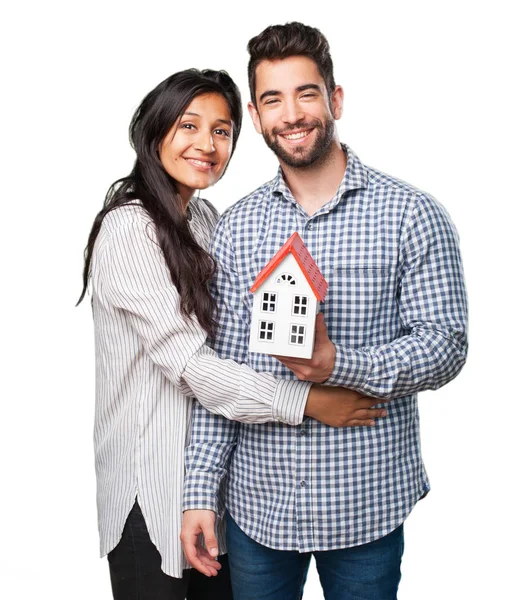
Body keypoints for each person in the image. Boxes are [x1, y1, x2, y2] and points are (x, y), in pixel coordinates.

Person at [181, 23, 468, 600]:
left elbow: (446, 346)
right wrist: (198, 492)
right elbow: (221, 374)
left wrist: (337, 363)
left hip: (366, 501)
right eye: (272, 100)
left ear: (334, 100)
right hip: (259, 506)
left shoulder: (411, 215)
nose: (292, 113)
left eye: (306, 93)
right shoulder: (236, 229)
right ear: (258, 120)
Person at [78, 68, 388, 600]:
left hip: (211, 488)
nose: (207, 144)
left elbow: (239, 343)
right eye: (188, 126)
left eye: (221, 131)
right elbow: (195, 366)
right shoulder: (129, 228)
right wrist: (309, 400)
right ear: (154, 134)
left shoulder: (204, 220)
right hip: (149, 489)